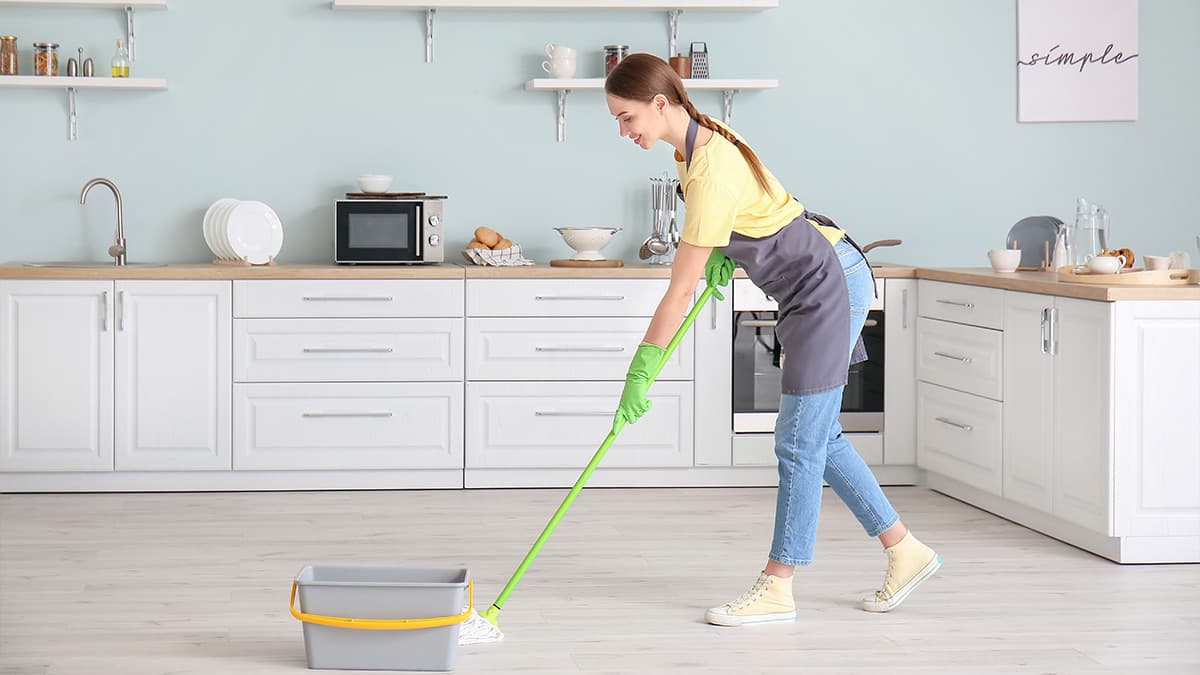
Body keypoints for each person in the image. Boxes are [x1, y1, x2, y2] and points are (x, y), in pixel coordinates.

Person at [605, 53, 941, 626]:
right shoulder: (696, 140)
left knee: (797, 442)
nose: (624, 131)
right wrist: (725, 255)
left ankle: (777, 585)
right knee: (818, 435)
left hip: (824, 281)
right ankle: (906, 551)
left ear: (661, 103)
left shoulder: (707, 167)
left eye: (627, 117)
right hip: (812, 276)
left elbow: (677, 292)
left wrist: (642, 367)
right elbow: (762, 210)